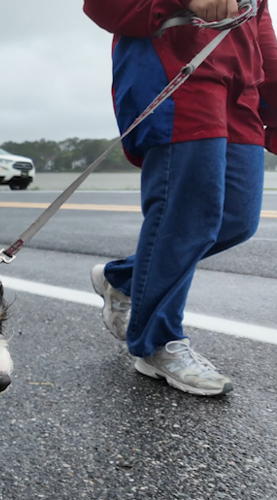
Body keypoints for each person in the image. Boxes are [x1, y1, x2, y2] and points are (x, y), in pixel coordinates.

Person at [83, 0, 277, 396]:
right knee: (189, 219)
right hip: (178, 73)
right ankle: (156, 343)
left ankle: (124, 278)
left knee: (237, 219)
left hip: (240, 89)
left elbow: (261, 34)